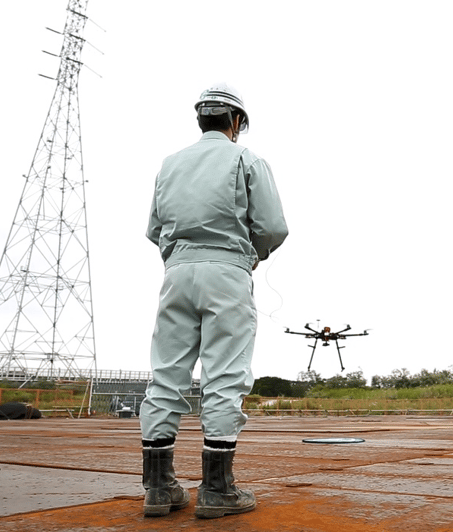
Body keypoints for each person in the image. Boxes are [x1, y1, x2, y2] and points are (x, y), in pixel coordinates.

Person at [139, 82, 288, 519]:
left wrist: (179, 254)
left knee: (166, 376)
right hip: (227, 271)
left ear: (200, 118)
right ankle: (217, 490)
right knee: (224, 375)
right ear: (237, 122)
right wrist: (249, 255)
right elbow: (274, 226)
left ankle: (158, 488)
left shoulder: (170, 164)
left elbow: (153, 228)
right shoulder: (247, 158)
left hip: (177, 273)